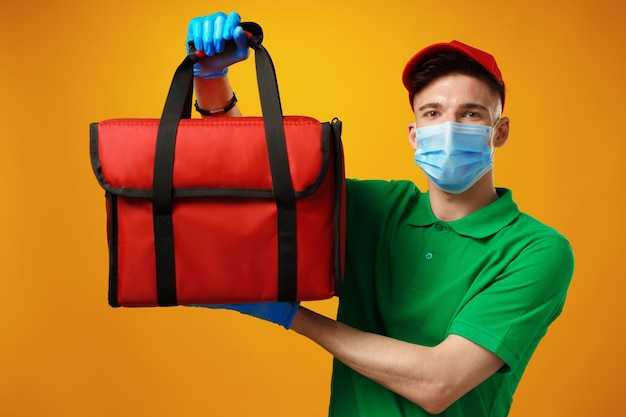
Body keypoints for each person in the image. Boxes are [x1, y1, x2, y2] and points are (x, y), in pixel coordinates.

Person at [186, 11, 575, 417]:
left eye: (471, 114)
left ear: (500, 131)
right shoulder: (374, 209)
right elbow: (257, 181)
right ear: (414, 134)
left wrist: (291, 315)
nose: (449, 127)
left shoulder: (535, 251)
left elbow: (438, 382)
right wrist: (211, 82)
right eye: (433, 113)